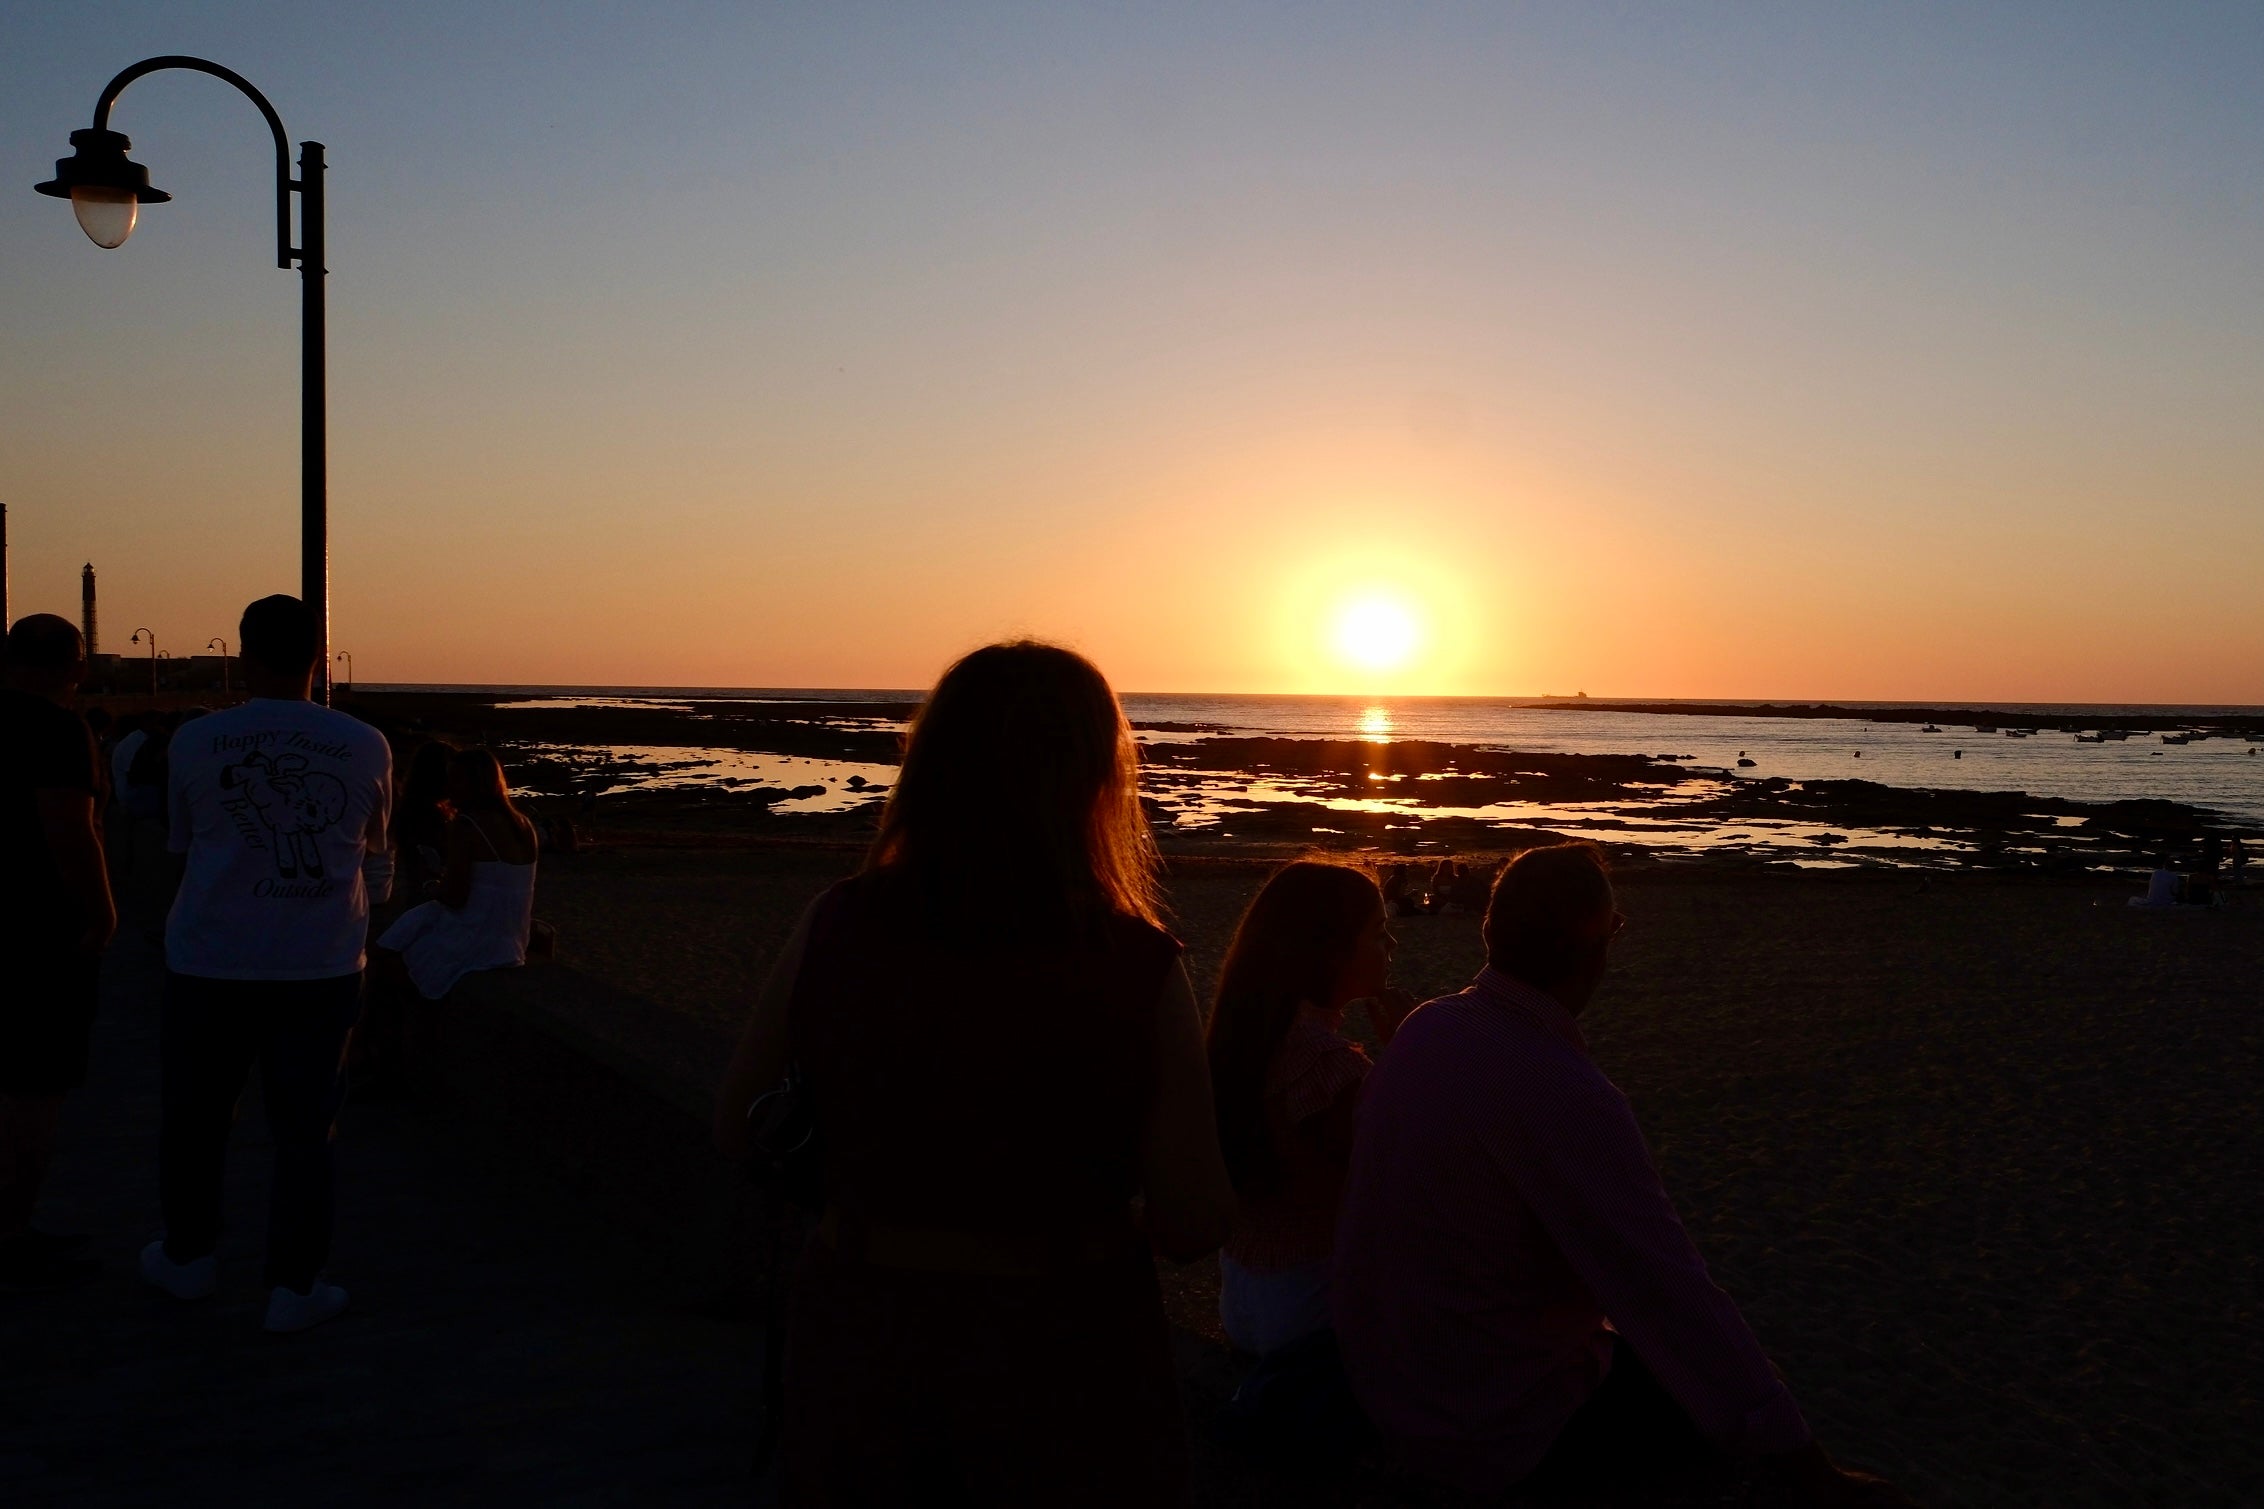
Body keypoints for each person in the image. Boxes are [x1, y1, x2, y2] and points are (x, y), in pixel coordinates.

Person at [713, 640, 1235, 1505]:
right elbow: (1193, 1218)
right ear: (1094, 780)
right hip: (1062, 1348)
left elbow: (740, 1126)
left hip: (861, 1328)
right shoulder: (1134, 964)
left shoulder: (837, 921)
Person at [1333, 843, 1910, 1505]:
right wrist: (1813, 1471)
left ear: (1489, 930)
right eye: (1615, 928)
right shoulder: (1564, 1090)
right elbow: (1666, 1289)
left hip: (1387, 1387)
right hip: (1487, 1425)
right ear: (1596, 947)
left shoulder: (1424, 1028)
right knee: (1716, 1411)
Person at [140, 596, 393, 1334]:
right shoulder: (367, 742)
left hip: (208, 959)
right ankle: (295, 1284)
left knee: (195, 1118)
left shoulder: (196, 739)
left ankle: (188, 1258)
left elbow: (184, 844)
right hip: (319, 964)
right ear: (318, 656)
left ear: (244, 655)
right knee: (306, 1130)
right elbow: (375, 847)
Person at [1206, 861, 1409, 1358]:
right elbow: (1387, 1192)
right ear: (1330, 952)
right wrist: (1410, 1059)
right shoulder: (1329, 1070)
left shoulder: (1248, 1036)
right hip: (1309, 1305)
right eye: (1380, 934)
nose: (1393, 948)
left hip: (1243, 1293)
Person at [0, 615, 116, 1289]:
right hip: (40, 933)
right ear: (75, 668)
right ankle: (11, 1230)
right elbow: (70, 829)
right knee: (34, 1089)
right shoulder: (56, 729)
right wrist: (102, 911)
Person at [376, 748, 538, 1000]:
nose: (448, 787)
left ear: (476, 783)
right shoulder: (524, 824)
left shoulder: (467, 825)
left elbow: (455, 898)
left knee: (392, 949)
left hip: (477, 936)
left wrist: (430, 882)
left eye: (455, 779)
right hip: (513, 939)